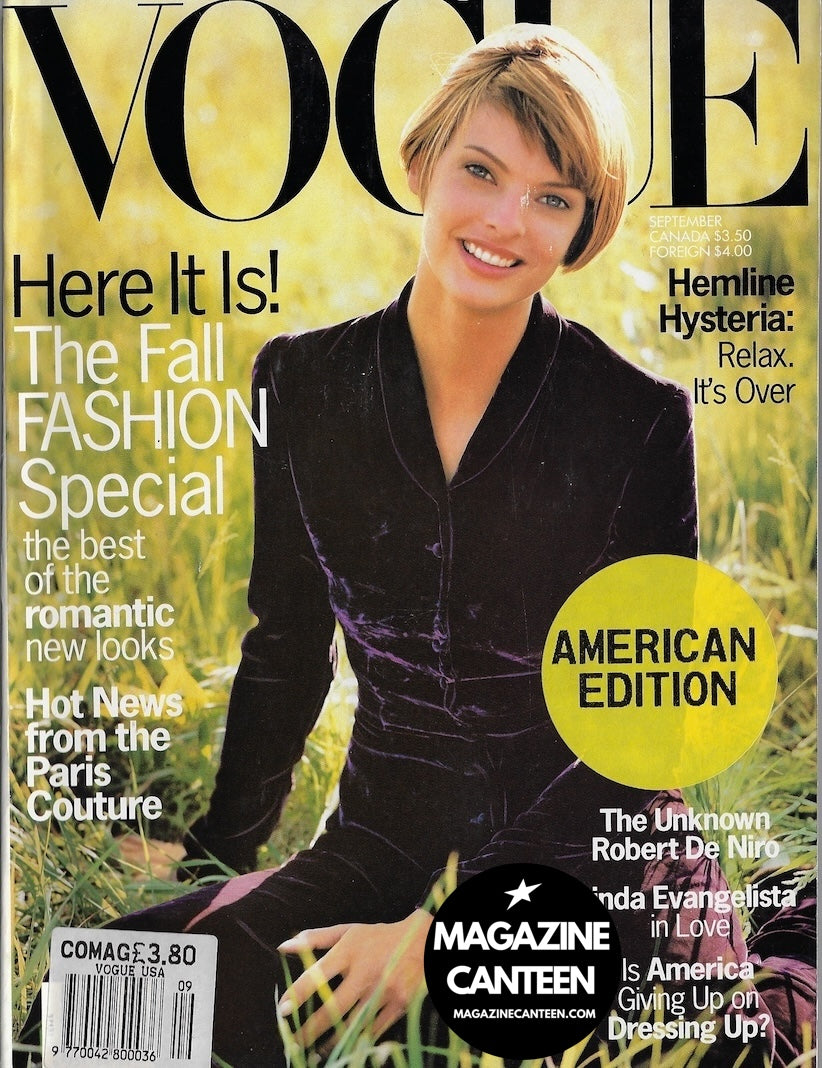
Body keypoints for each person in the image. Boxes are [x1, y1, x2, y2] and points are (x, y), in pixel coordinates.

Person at [17, 23, 815, 1068]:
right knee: (81, 1014)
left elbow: (641, 742)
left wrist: (448, 934)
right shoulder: (302, 382)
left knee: (699, 1057)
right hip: (382, 845)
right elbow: (286, 645)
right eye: (480, 170)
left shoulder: (637, 419)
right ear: (423, 162)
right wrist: (218, 854)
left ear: (583, 227)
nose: (505, 220)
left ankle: (791, 939)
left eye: (552, 198)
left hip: (586, 867)